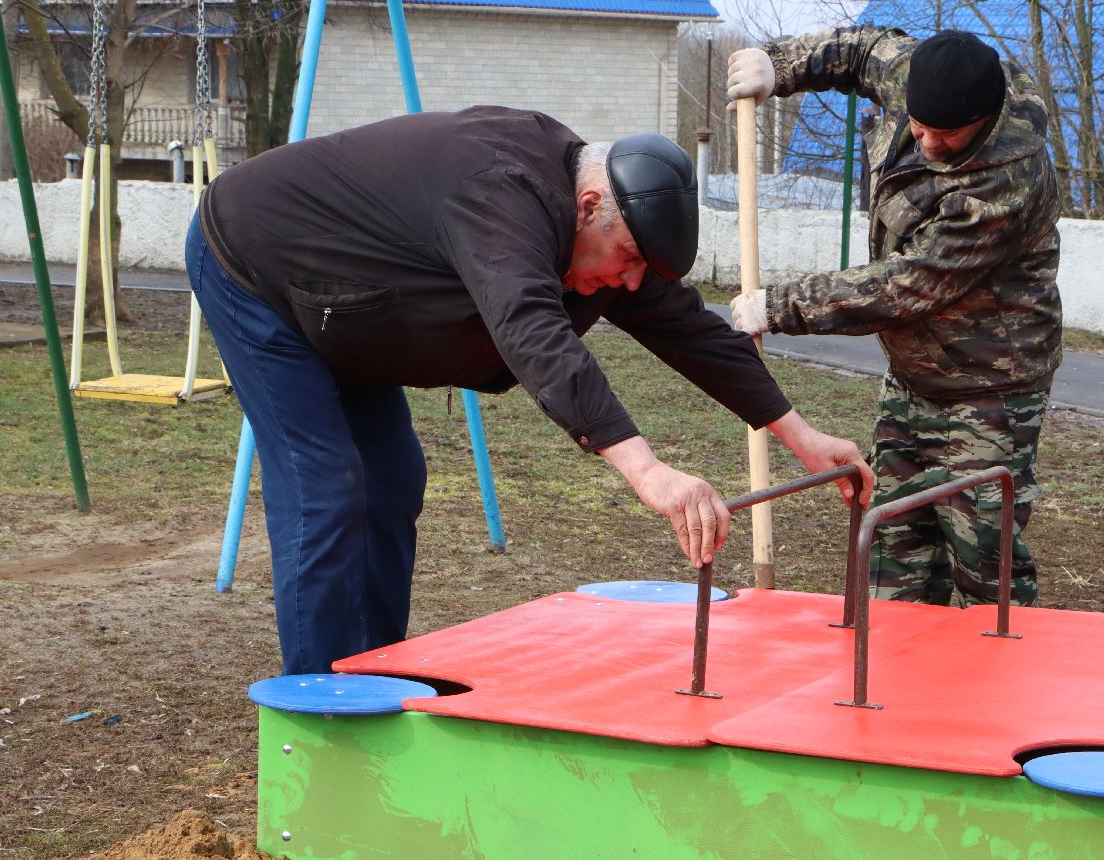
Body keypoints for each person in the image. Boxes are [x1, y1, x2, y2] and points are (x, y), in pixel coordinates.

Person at [187, 105, 872, 675]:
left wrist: (800, 437)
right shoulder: (499, 193)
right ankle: (318, 710)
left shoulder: (602, 227)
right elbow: (533, 332)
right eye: (629, 259)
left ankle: (367, 673)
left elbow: (691, 329)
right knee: (327, 485)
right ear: (589, 205)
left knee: (392, 477)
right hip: (254, 269)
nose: (631, 281)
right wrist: (647, 471)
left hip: (345, 307)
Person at [724, 28, 1061, 610]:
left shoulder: (1006, 182)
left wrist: (781, 306)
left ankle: (996, 663)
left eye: (945, 134)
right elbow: (860, 49)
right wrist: (780, 67)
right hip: (912, 375)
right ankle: (890, 663)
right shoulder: (912, 72)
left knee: (983, 561)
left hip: (989, 388)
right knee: (891, 549)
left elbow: (909, 283)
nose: (925, 141)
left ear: (982, 119)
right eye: (918, 126)